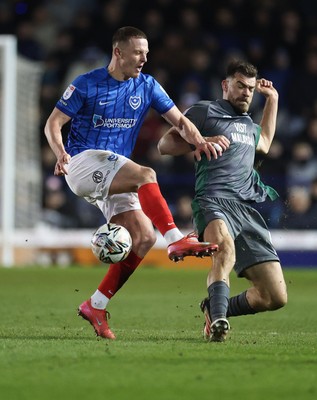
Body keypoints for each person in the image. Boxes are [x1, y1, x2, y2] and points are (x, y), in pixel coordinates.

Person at [44, 26, 221, 340]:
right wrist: (60, 154)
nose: (144, 59)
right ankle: (177, 238)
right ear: (118, 52)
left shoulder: (147, 86)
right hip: (81, 162)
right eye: (138, 52)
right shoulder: (87, 84)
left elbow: (180, 121)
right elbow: (53, 123)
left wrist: (201, 141)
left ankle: (95, 305)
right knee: (146, 175)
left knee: (142, 237)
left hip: (113, 172)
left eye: (147, 53)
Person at [158, 59, 287, 342]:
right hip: (213, 201)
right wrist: (200, 139)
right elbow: (165, 145)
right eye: (240, 85)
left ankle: (213, 308)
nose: (246, 92)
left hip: (247, 210)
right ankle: (218, 320)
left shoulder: (247, 123)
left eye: (251, 89)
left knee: (275, 296)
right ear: (225, 85)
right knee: (224, 251)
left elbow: (264, 142)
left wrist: (273, 100)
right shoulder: (205, 110)